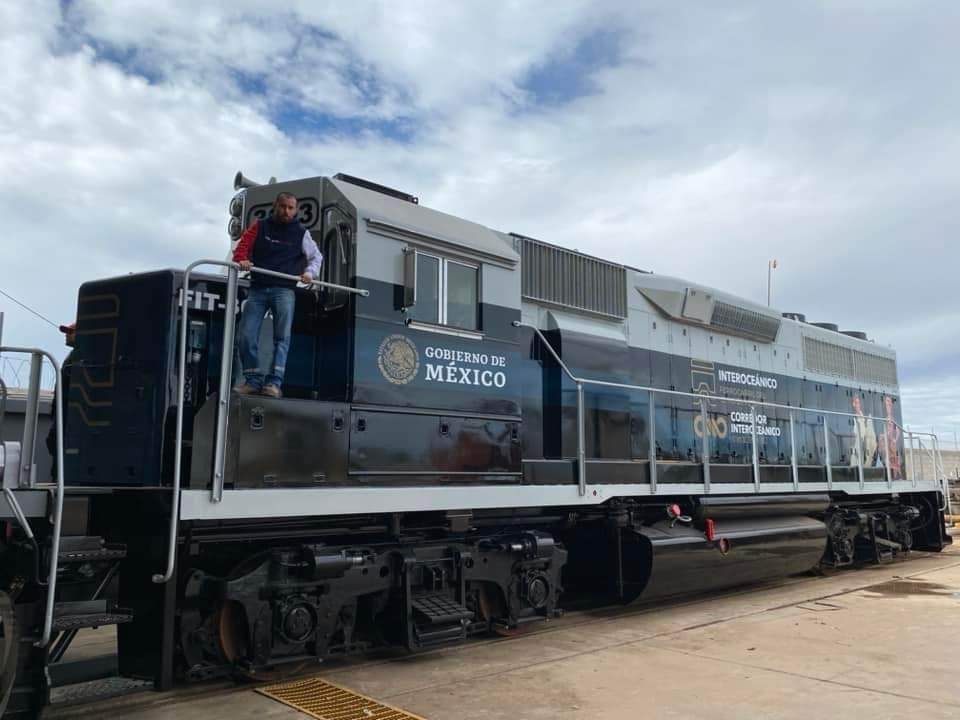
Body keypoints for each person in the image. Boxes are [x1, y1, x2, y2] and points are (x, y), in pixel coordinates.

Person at [232, 192, 322, 398]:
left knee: (282, 338)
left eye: (291, 208)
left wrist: (309, 273)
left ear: (296, 210)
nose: (286, 211)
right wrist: (242, 260)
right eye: (283, 206)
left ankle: (274, 383)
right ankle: (253, 380)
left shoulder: (301, 233)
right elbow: (241, 248)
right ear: (276, 206)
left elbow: (317, 257)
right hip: (258, 288)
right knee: (245, 335)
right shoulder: (260, 226)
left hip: (284, 290)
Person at [45, 322, 77, 480]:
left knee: (57, 446)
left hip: (66, 416)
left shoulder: (77, 359)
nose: (67, 334)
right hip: (62, 414)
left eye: (71, 332)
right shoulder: (72, 358)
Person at [849, 395, 878, 468]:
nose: (858, 405)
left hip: (864, 444)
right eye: (856, 403)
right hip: (857, 445)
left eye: (859, 403)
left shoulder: (863, 418)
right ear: (853, 404)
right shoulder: (853, 416)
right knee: (855, 462)